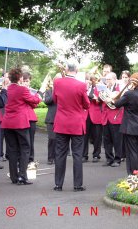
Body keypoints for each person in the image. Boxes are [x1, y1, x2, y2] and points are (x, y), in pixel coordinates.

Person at [52, 60, 90, 192]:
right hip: (76, 123)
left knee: (60, 154)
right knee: (77, 155)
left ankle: (58, 184)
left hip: (62, 122)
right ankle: (77, 184)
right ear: (77, 70)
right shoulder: (81, 85)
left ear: (66, 69)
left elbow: (55, 100)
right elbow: (86, 104)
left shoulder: (57, 82)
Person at [2, 68, 41, 185]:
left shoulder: (6, 89)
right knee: (25, 148)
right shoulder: (22, 89)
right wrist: (38, 97)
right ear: (19, 78)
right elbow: (33, 99)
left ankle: (14, 176)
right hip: (20, 122)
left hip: (8, 122)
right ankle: (22, 176)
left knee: (12, 149)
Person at [113, 73, 138, 175]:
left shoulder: (129, 94)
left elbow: (116, 104)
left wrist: (118, 95)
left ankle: (133, 174)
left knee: (132, 152)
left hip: (130, 127)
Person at [101, 72, 124, 167]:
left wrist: (112, 100)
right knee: (107, 139)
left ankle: (117, 159)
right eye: (106, 79)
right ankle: (109, 158)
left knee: (117, 140)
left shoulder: (120, 88)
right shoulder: (105, 88)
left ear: (114, 79)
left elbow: (122, 101)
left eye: (109, 79)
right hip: (106, 117)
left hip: (116, 116)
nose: (107, 81)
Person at [83, 74, 103, 163]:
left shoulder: (99, 88)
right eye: (88, 80)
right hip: (85, 114)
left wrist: (93, 96)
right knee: (84, 137)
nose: (89, 81)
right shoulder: (84, 88)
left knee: (97, 136)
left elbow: (101, 100)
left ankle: (96, 155)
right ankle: (84, 155)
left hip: (96, 114)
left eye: (91, 80)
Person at [44, 74, 61, 165]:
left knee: (60, 140)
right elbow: (47, 101)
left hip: (61, 118)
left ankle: (58, 157)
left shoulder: (64, 91)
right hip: (51, 118)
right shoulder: (49, 91)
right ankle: (50, 157)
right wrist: (55, 92)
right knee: (52, 138)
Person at [22, 71, 38, 163]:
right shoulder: (21, 91)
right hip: (22, 118)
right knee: (24, 140)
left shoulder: (32, 92)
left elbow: (35, 104)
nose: (26, 83)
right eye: (24, 81)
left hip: (31, 117)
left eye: (27, 81)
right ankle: (23, 159)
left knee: (31, 140)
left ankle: (30, 159)